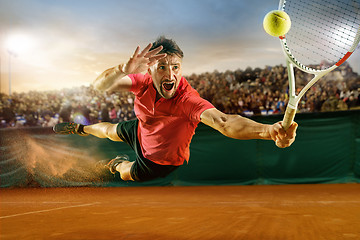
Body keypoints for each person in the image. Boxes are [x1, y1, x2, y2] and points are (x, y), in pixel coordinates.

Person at [54, 36, 298, 182]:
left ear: (181, 68)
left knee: (125, 173)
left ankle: (116, 163)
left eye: (176, 67)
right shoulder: (142, 82)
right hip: (142, 129)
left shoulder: (187, 101)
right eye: (162, 67)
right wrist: (122, 69)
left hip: (159, 161)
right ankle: (81, 129)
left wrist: (268, 132)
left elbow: (224, 122)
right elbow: (99, 86)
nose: (170, 74)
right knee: (109, 131)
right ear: (149, 69)